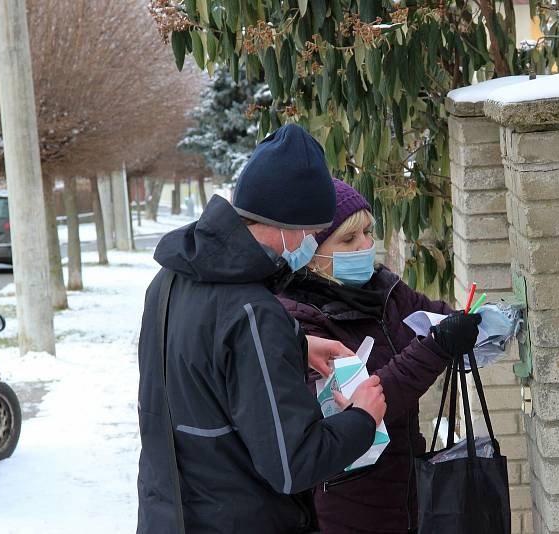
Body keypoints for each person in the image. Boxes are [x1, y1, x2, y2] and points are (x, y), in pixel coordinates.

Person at [136, 124, 387, 534]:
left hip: (170, 515)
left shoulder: (170, 280)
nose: (307, 243)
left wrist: (295, 343)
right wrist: (362, 418)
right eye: (308, 232)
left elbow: (203, 367)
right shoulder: (254, 315)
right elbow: (293, 464)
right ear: (286, 224)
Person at [278, 179, 482, 534]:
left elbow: (437, 316)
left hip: (411, 490)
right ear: (311, 254)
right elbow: (363, 401)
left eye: (368, 233)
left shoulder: (384, 289)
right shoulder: (298, 319)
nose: (366, 246)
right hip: (348, 505)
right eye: (349, 239)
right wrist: (436, 347)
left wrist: (480, 322)